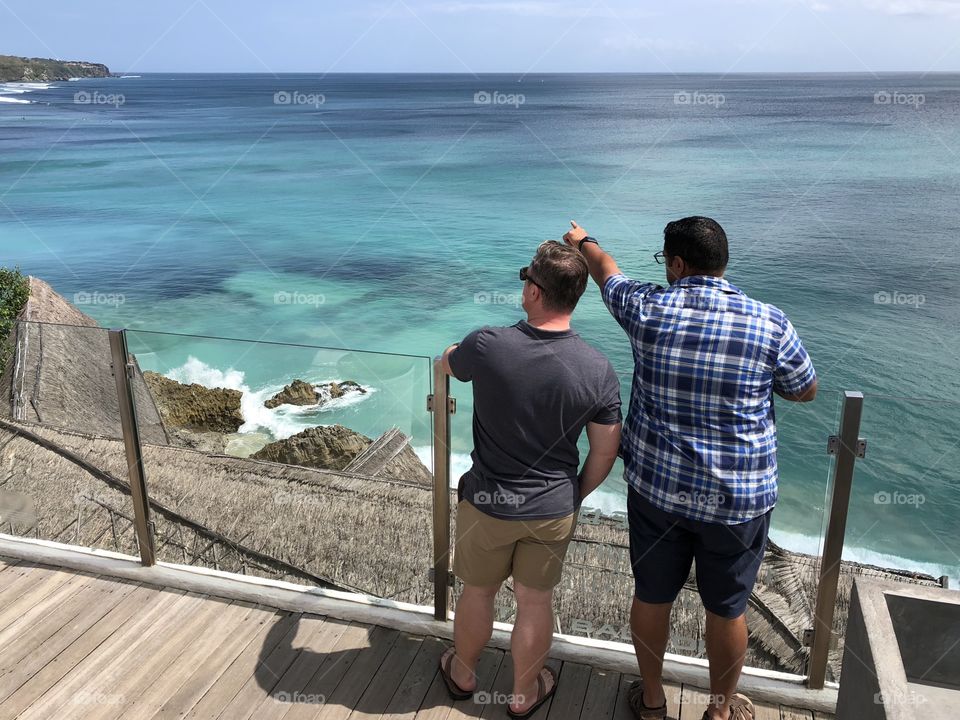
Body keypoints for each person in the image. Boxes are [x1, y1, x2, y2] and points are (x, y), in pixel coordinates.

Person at [563, 217, 817, 720]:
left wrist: (583, 241)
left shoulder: (647, 309)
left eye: (665, 263)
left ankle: (653, 701)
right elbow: (805, 388)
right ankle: (721, 709)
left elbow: (604, 271)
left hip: (659, 491)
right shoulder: (769, 321)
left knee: (653, 596)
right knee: (728, 608)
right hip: (738, 498)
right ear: (721, 261)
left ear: (677, 264)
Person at [438, 241, 623, 719]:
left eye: (526, 280)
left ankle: (462, 673)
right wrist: (573, 493)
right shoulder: (598, 369)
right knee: (535, 601)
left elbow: (448, 364)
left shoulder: (487, 345)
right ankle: (523, 695)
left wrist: (451, 354)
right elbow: (605, 450)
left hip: (486, 501)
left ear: (534, 291)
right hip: (552, 507)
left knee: (476, 593)